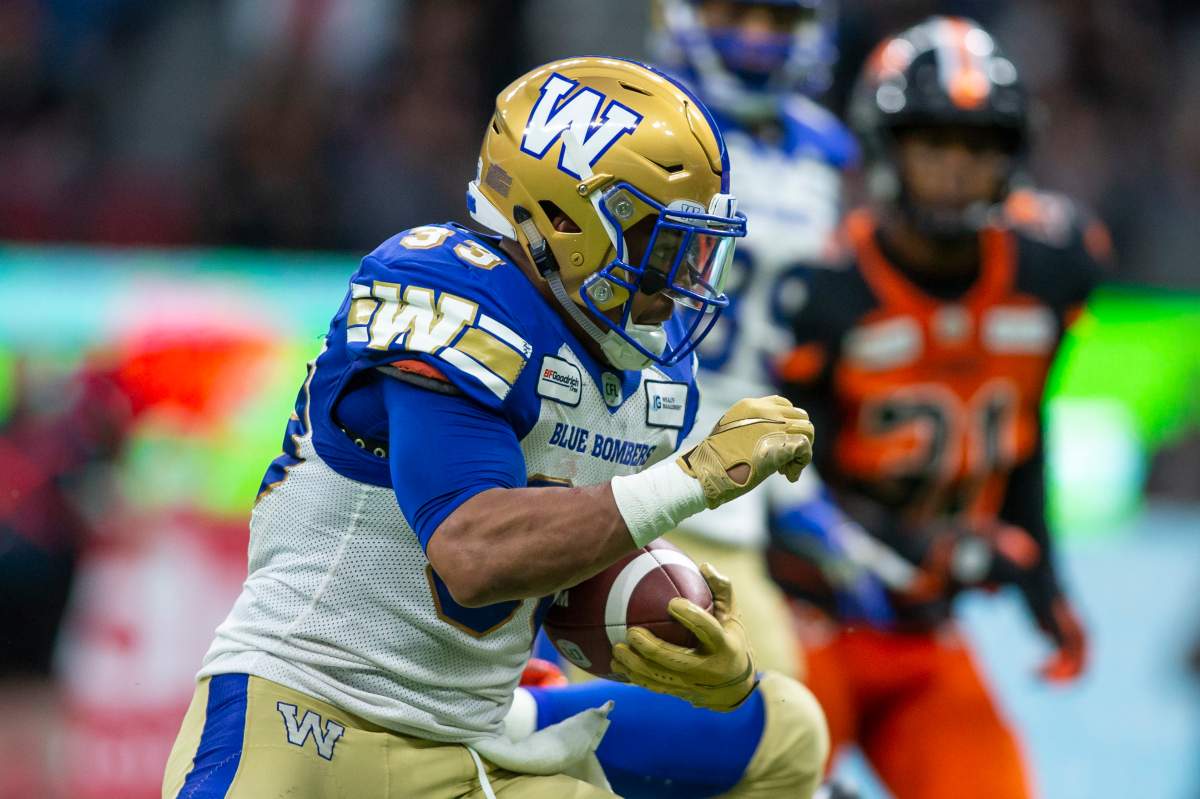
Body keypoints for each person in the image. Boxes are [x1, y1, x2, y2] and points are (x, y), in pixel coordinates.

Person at [162, 56, 825, 799]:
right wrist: (692, 479)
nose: (679, 281)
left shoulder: (652, 372)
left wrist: (686, 640)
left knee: (785, 727)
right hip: (310, 714)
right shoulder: (447, 288)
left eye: (695, 250)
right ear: (568, 221)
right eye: (661, 245)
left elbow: (570, 566)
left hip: (476, 734)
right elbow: (473, 552)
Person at [766, 17, 1105, 798]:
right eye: (934, 143)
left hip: (922, 628)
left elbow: (1021, 431)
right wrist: (927, 546)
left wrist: (1045, 576)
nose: (957, 168)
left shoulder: (1053, 263)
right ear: (886, 147)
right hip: (804, 612)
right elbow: (778, 481)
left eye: (979, 146)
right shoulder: (822, 286)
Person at [653, 0, 857, 676]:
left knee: (778, 710)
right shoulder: (642, 117)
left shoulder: (827, 153)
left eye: (779, 19)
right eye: (737, 10)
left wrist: (796, 486)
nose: (756, 38)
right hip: (617, 449)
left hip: (738, 474)